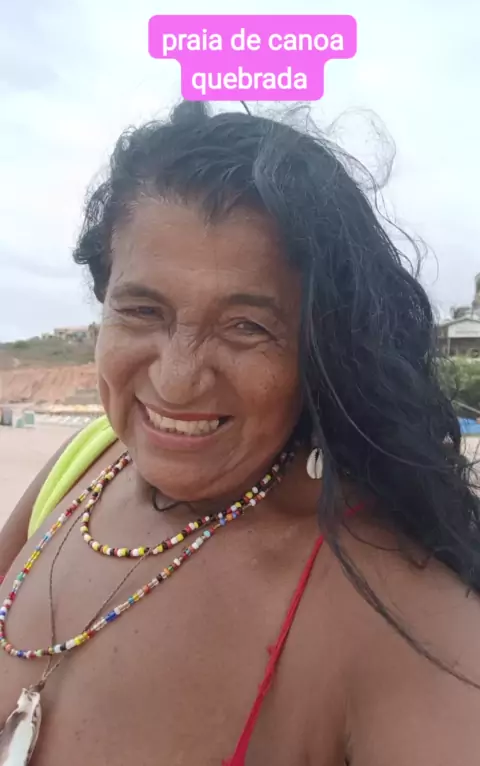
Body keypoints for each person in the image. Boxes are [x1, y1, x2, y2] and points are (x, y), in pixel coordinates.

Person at [0, 100, 479, 765]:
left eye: (247, 327)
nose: (177, 381)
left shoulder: (391, 609)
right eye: (142, 310)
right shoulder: (84, 464)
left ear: (321, 349)